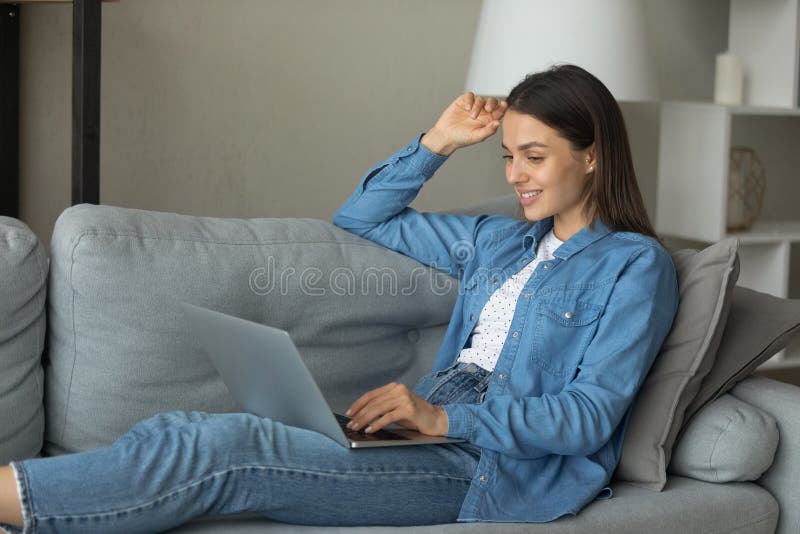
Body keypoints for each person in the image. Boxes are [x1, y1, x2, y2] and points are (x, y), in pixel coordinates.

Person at [0, 64, 679, 533]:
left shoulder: (636, 266)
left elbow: (589, 416)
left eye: (533, 155)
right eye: (506, 156)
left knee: (234, 449)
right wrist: (439, 141)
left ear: (591, 154)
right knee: (184, 426)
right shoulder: (498, 243)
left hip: (488, 467)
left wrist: (445, 422)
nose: (514, 175)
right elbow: (364, 216)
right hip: (428, 426)